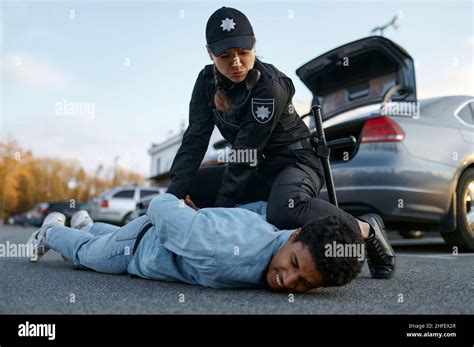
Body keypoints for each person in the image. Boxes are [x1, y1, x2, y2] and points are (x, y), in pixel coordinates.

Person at [166, 6, 396, 279]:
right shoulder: (205, 82)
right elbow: (194, 140)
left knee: (285, 208)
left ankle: (366, 228)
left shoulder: (270, 86)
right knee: (191, 187)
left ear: (254, 45)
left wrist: (216, 217)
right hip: (260, 170)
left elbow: (245, 155)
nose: (236, 62)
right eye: (226, 56)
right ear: (209, 54)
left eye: (243, 52)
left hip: (297, 162)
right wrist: (170, 200)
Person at [26, 194, 372, 292]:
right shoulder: (220, 250)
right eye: (295, 266)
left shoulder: (278, 236)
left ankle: (85, 223)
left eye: (305, 284)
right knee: (86, 256)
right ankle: (52, 231)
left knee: (99, 237)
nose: (287, 281)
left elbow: (244, 212)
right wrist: (181, 210)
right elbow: (159, 204)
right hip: (138, 247)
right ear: (296, 236)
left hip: (154, 235)